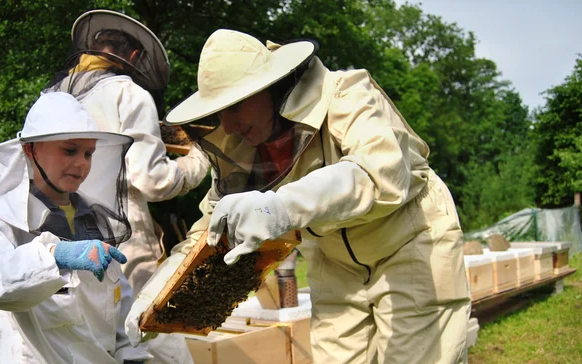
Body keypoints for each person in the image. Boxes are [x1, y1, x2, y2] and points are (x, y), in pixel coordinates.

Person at [126, 29, 471, 364]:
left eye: (235, 106)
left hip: (410, 245)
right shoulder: (241, 147)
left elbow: (379, 172)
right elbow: (212, 226)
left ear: (268, 88)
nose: (228, 125)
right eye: (219, 113)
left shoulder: (346, 94)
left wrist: (282, 206)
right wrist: (157, 289)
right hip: (337, 265)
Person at [45, 10, 206, 364]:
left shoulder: (52, 98)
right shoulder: (128, 94)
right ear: (134, 56)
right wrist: (198, 162)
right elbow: (153, 180)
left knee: (94, 346)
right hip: (123, 242)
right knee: (159, 343)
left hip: (61, 240)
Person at [0, 92, 152, 364]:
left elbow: (116, 299)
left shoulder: (94, 219)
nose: (82, 163)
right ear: (32, 150)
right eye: (70, 150)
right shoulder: (9, 219)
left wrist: (129, 352)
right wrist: (53, 255)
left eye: (89, 153)